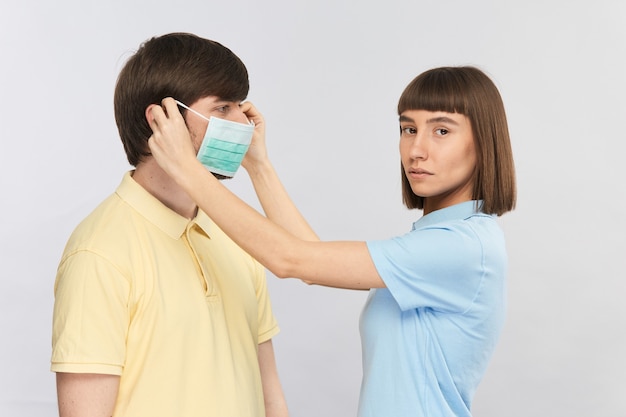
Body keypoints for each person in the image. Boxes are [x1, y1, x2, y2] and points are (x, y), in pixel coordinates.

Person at [147, 66, 517, 417]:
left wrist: (189, 171)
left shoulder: (464, 247)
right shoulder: (440, 238)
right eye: (408, 129)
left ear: (484, 142)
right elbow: (311, 260)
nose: (416, 149)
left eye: (441, 131)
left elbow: (291, 261)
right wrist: (258, 165)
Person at [51, 33, 289, 417]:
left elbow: (269, 392)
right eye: (223, 108)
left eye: (240, 107)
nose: (244, 123)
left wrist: (260, 166)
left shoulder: (237, 235)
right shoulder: (98, 253)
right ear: (161, 119)